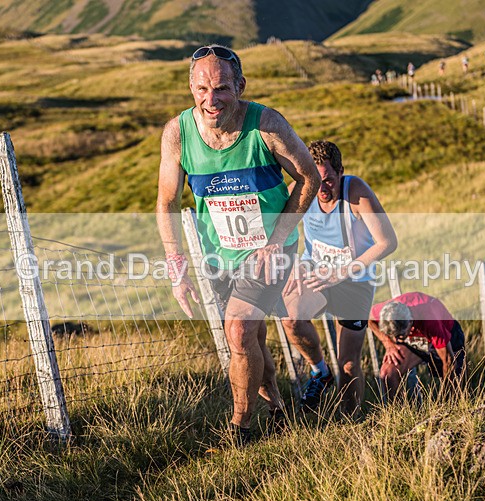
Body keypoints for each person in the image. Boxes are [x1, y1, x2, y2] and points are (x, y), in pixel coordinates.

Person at [156, 44, 321, 445]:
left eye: (221, 89)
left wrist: (277, 241)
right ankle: (278, 408)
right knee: (251, 339)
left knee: (238, 328)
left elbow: (310, 178)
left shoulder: (266, 124)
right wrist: (178, 269)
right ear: (191, 88)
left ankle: (240, 428)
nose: (211, 100)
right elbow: (167, 202)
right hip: (219, 255)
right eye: (201, 89)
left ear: (239, 86)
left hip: (269, 250)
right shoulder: (178, 133)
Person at [281, 141, 397, 416]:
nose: (322, 190)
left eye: (329, 180)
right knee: (291, 319)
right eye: (315, 181)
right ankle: (320, 372)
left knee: (348, 363)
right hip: (318, 274)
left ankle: (350, 419)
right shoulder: (301, 190)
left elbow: (387, 242)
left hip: (354, 281)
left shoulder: (355, 192)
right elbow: (279, 230)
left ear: (341, 172)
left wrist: (342, 272)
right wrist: (293, 263)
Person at [368, 292, 465, 400]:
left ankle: (452, 405)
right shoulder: (386, 311)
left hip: (447, 336)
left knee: (454, 383)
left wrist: (447, 399)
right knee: (387, 374)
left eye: (399, 336)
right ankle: (399, 413)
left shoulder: (429, 319)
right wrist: (388, 344)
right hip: (414, 337)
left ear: (410, 322)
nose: (395, 340)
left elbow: (449, 360)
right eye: (392, 336)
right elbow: (368, 318)